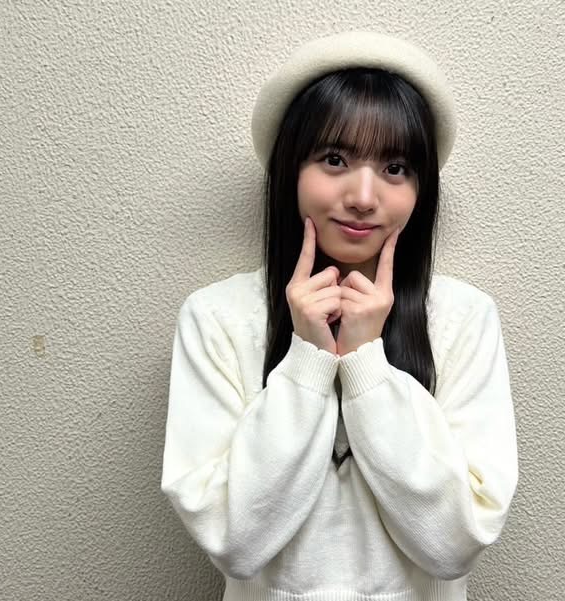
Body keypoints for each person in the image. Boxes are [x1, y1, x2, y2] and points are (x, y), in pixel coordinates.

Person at [160, 30, 518, 601]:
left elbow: (454, 546)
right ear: (290, 170)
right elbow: (236, 543)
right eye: (334, 159)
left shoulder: (463, 317)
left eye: (395, 167)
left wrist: (366, 363)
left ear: (421, 188)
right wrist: (307, 357)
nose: (364, 196)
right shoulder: (218, 318)